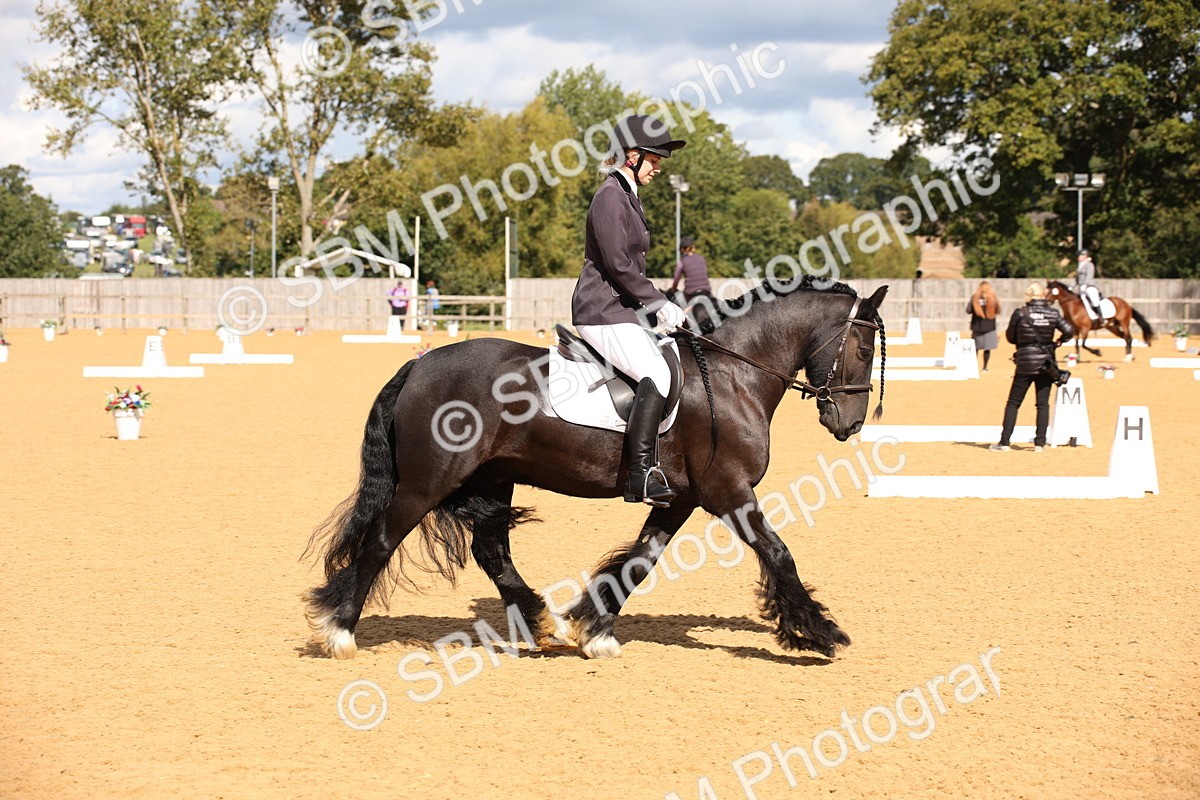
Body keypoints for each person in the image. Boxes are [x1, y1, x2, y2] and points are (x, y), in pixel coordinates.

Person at [571, 114, 687, 508]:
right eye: (654, 160)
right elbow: (619, 264)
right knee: (654, 372)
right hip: (601, 309)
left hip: (623, 309)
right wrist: (659, 303)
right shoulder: (610, 196)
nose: (658, 168)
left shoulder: (627, 195)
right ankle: (641, 475)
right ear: (633, 156)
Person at [990, 283, 1075, 452]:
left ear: (1028, 296)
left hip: (1025, 362)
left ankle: (1005, 442)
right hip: (1046, 362)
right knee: (1042, 404)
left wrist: (1023, 343)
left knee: (1014, 403)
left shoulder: (1020, 313)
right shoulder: (1053, 313)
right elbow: (1070, 330)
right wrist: (1058, 341)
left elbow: (1010, 337)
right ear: (1043, 295)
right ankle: (1039, 443)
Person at [966, 280, 1000, 371]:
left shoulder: (975, 298)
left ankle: (973, 366)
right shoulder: (993, 298)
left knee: (975, 348)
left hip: (977, 326)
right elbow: (998, 311)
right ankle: (985, 367)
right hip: (990, 327)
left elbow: (968, 310)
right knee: (987, 348)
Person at [668, 237, 712, 301]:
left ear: (683, 249)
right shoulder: (701, 258)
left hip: (691, 292)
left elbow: (676, 280)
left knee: (676, 306)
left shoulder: (682, 261)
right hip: (706, 290)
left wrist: (673, 289)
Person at [1072, 250, 1104, 319]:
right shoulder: (1080, 266)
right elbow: (1077, 279)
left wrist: (1085, 284)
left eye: (1079, 256)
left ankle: (1101, 317)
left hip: (1089, 286)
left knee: (1094, 300)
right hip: (1081, 288)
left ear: (1085, 256)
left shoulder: (1089, 264)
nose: (1078, 257)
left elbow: (1089, 276)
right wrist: (1072, 287)